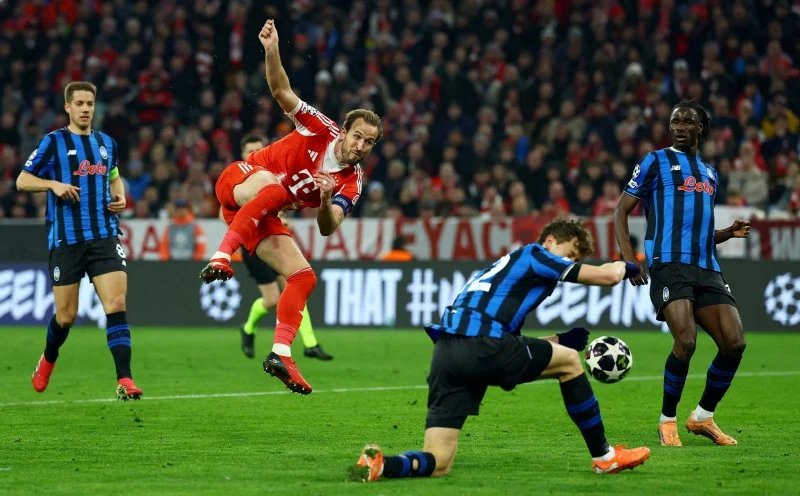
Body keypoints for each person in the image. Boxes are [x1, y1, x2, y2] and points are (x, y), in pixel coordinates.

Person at [349, 219, 651, 482]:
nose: (569, 261)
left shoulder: (502, 273)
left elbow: (509, 343)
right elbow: (607, 277)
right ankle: (604, 457)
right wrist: (624, 265)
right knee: (571, 363)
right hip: (483, 346)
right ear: (549, 241)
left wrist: (558, 339)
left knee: (439, 462)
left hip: (448, 352)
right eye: (569, 254)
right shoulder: (535, 254)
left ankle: (380, 465)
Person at [200, 20, 382, 395]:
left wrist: (326, 200)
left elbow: (329, 227)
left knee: (303, 276)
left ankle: (281, 353)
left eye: (369, 143)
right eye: (358, 136)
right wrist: (272, 51)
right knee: (275, 189)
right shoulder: (319, 128)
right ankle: (221, 255)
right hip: (240, 181)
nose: (361, 146)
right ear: (344, 131)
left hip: (260, 215)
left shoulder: (351, 181)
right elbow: (281, 91)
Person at [614, 99, 751, 447]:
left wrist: (726, 233)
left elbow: (698, 231)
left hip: (706, 266)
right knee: (686, 340)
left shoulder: (709, 172)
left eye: (687, 122)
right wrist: (630, 259)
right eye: (675, 121)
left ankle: (702, 416)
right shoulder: (655, 161)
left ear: (700, 128)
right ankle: (667, 420)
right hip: (669, 265)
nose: (679, 127)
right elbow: (620, 211)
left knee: (734, 342)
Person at [16, 81, 143, 400]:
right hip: (67, 240)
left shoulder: (106, 143)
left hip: (104, 235)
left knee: (116, 304)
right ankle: (48, 358)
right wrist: (53, 185)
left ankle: (125, 379)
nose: (86, 109)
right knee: (66, 316)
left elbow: (114, 176)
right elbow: (22, 180)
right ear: (68, 107)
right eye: (80, 104)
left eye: (90, 103)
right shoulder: (53, 142)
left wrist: (120, 196)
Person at [236, 135, 332, 361]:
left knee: (295, 286)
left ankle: (310, 343)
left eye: (259, 149)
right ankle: (248, 328)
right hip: (254, 246)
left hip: (275, 241)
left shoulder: (272, 176)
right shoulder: (238, 179)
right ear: (242, 154)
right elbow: (226, 213)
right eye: (250, 150)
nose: (254, 154)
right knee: (271, 300)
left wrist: (280, 218)